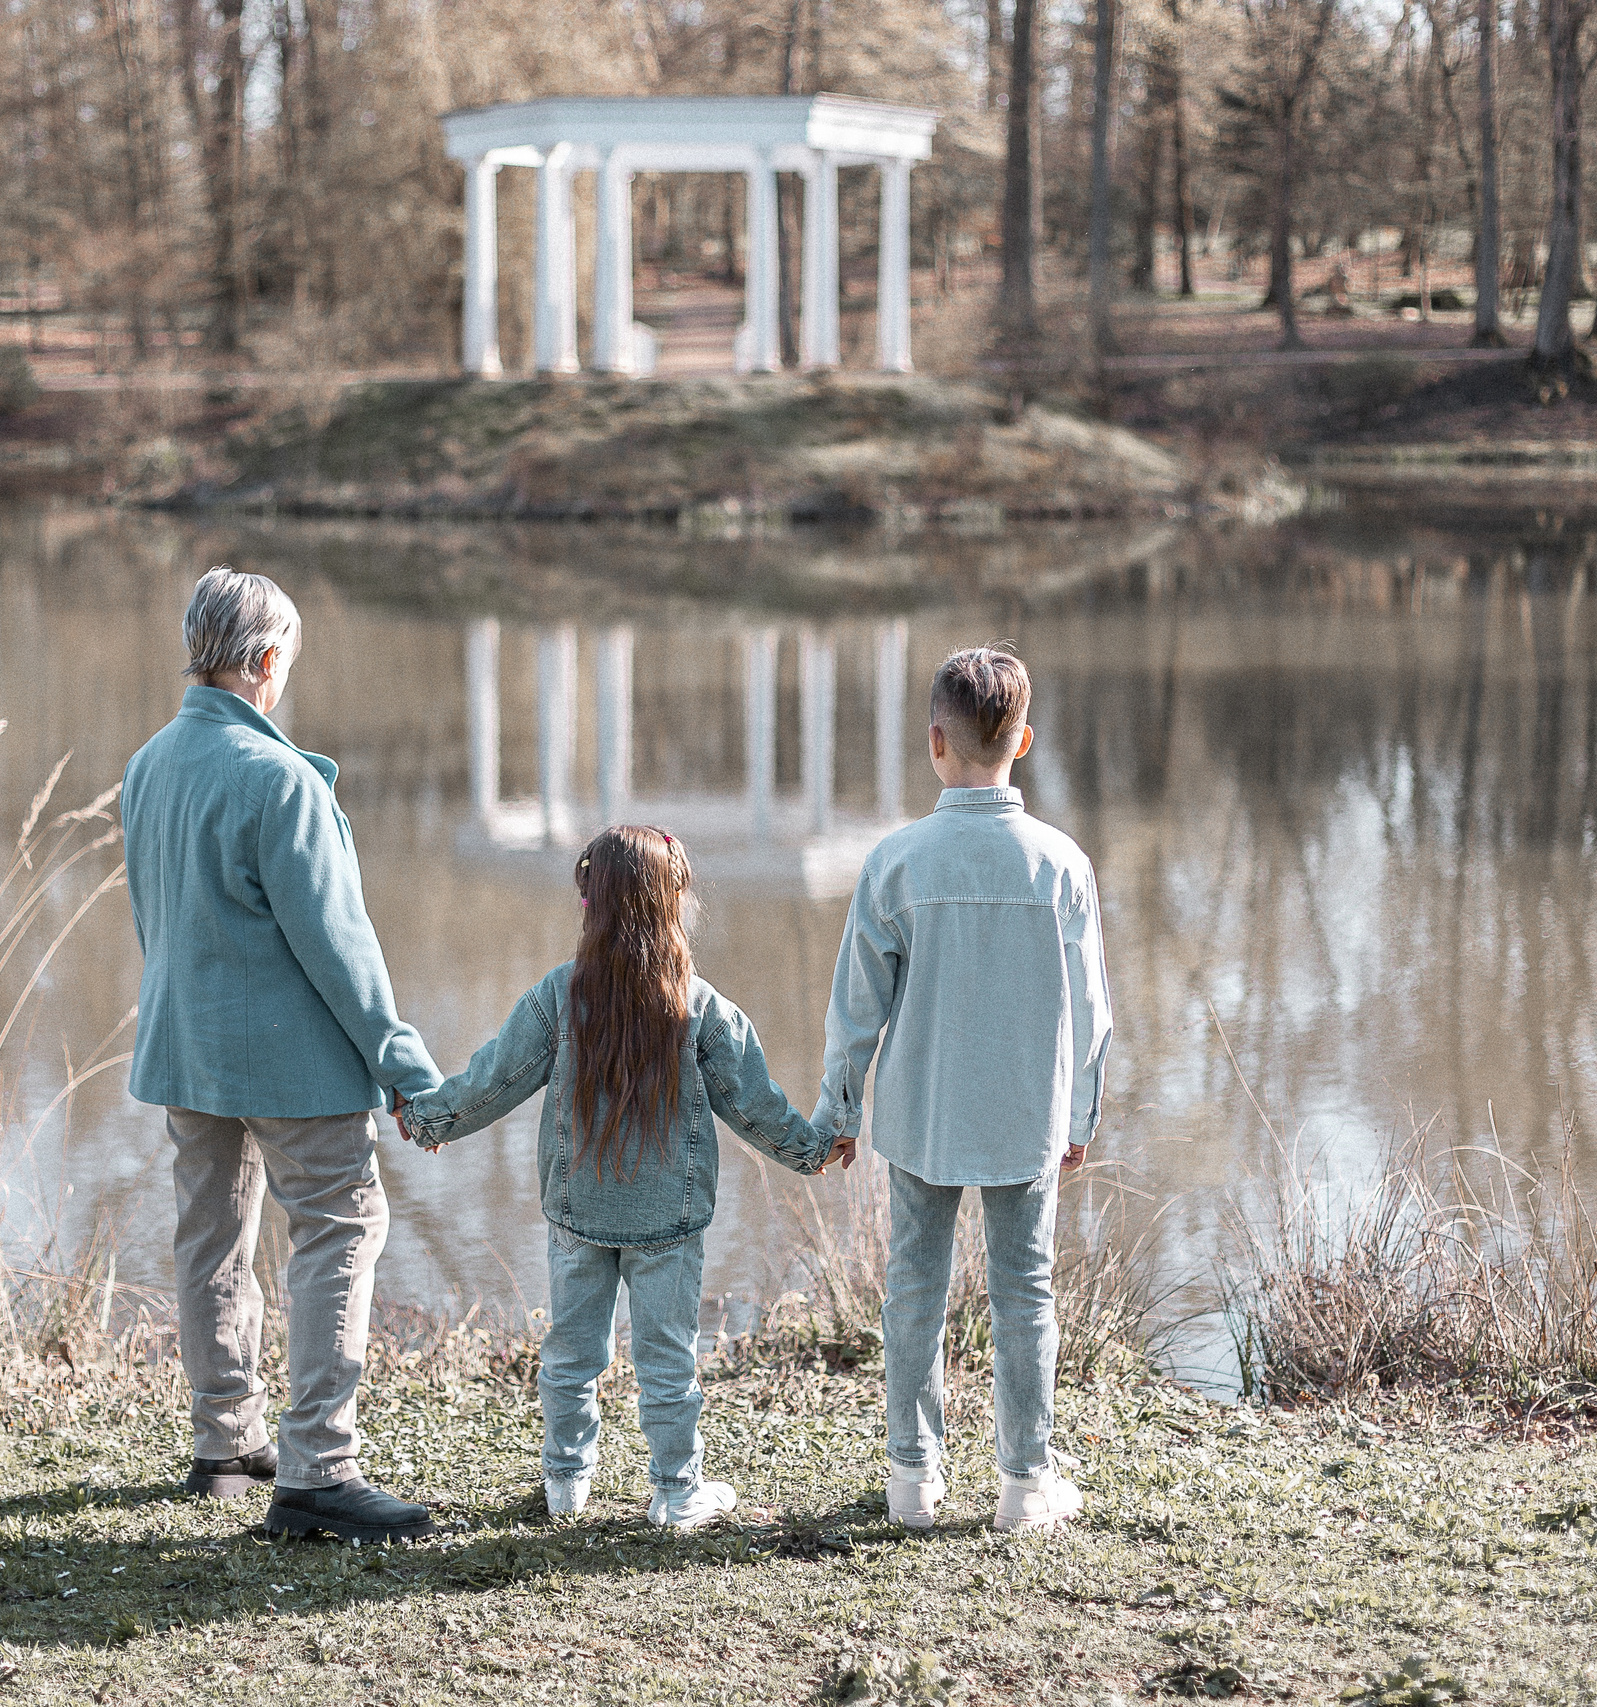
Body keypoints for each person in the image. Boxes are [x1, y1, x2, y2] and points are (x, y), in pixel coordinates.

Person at [121, 566, 443, 1544]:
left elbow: (155, 913)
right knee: (341, 1227)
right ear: (265, 661)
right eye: (286, 661)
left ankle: (224, 1444)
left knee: (211, 1237)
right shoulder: (280, 781)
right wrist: (404, 1065)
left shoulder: (147, 765)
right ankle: (318, 1470)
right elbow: (338, 948)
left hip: (186, 1048)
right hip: (290, 1062)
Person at [398, 826, 836, 1529]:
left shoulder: (558, 998)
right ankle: (674, 1489)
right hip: (669, 1220)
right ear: (674, 905)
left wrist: (429, 1120)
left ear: (589, 904)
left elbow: (492, 1079)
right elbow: (756, 1105)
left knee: (572, 1352)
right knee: (668, 1360)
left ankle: (566, 1482)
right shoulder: (702, 1008)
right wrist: (811, 1149)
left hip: (579, 1210)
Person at [815, 646, 1112, 1535]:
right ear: (1022, 741)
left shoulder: (896, 862)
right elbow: (1093, 1014)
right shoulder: (1062, 865)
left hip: (923, 1112)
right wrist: (1080, 1113)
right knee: (1026, 1291)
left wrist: (838, 1109)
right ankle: (1025, 1483)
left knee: (914, 1285)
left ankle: (913, 1476)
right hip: (1027, 1117)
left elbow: (855, 1009)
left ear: (934, 742)